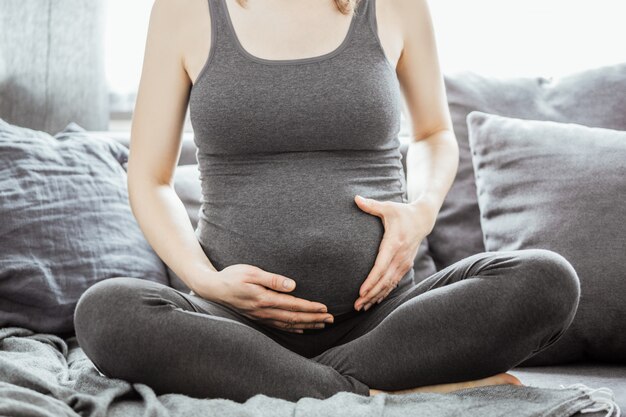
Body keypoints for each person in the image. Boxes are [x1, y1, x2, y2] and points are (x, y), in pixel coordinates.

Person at [73, 0, 581, 403]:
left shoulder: (394, 4)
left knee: (547, 279)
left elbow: (433, 133)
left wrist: (421, 211)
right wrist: (208, 282)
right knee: (105, 313)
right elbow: (149, 177)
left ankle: (308, 387)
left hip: (387, 320)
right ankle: (381, 393)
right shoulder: (184, 9)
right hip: (232, 325)